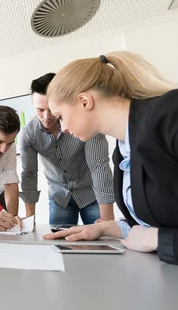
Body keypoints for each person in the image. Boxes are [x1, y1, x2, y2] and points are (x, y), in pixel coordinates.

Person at [44, 51, 178, 279]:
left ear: (85, 101)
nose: (61, 128)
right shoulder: (123, 148)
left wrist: (160, 241)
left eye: (60, 116)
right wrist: (110, 228)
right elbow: (172, 212)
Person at [19, 73, 115, 225]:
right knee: (61, 245)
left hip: (92, 194)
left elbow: (99, 167)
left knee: (103, 243)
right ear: (32, 103)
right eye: (40, 110)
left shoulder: (86, 123)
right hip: (59, 197)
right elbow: (29, 174)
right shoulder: (29, 134)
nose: (47, 116)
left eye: (51, 109)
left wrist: (107, 219)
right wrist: (30, 218)